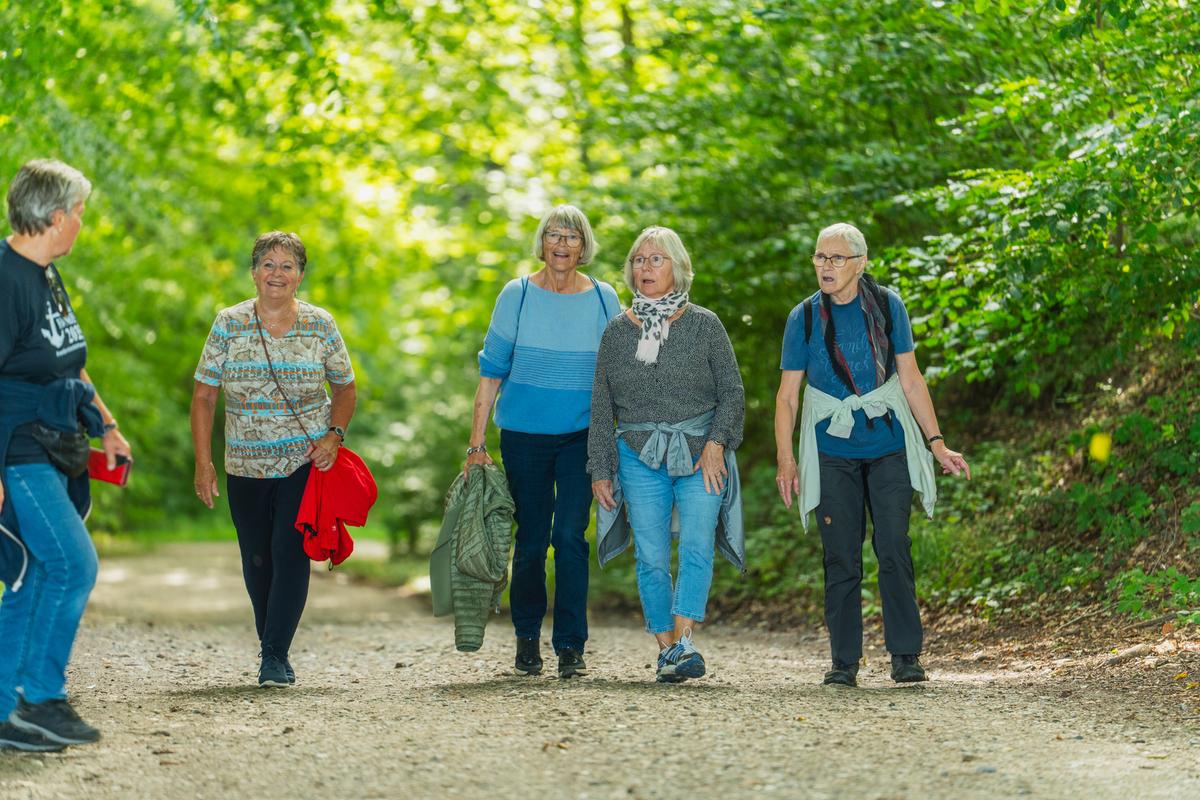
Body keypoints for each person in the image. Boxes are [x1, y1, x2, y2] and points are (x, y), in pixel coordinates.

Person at [773, 222, 970, 687]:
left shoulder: (886, 305)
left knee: (894, 547)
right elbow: (787, 397)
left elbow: (911, 378)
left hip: (887, 445)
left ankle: (905, 656)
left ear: (860, 263)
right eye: (820, 257)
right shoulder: (803, 317)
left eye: (837, 258)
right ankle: (844, 662)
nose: (826, 266)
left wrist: (936, 442)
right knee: (840, 555)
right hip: (830, 449)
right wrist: (786, 457)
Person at [0, 159, 132, 752]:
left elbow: (69, 362)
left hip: (55, 444)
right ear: (55, 218)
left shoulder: (47, 274)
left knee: (34, 576)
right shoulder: (6, 281)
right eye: (79, 212)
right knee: (74, 565)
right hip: (17, 448)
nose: (82, 222)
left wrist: (107, 425)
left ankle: (9, 711)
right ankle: (41, 699)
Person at [190, 231, 356, 688]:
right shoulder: (229, 323)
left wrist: (334, 436)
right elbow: (204, 397)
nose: (277, 274)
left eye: (287, 266)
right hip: (244, 463)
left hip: (304, 461)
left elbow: (345, 388)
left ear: (300, 275)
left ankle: (274, 654)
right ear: (254, 272)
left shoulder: (321, 325)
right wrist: (203, 462)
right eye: (268, 264)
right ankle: (272, 643)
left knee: (290, 548)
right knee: (257, 557)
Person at [467, 204, 620, 679]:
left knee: (570, 537)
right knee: (531, 541)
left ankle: (571, 646)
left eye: (572, 236)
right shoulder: (517, 295)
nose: (561, 243)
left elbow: (622, 374)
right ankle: (527, 638)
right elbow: (491, 375)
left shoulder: (603, 298)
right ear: (542, 242)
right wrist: (476, 445)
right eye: (554, 234)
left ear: (583, 247)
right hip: (524, 437)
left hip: (582, 437)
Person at [589, 226, 745, 684]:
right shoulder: (617, 332)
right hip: (636, 454)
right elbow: (601, 403)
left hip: (701, 453)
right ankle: (666, 649)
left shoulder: (705, 324)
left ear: (677, 268)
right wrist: (601, 467)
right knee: (652, 556)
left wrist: (717, 443)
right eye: (639, 260)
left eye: (656, 260)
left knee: (697, 546)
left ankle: (684, 643)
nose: (645, 268)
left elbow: (733, 394)